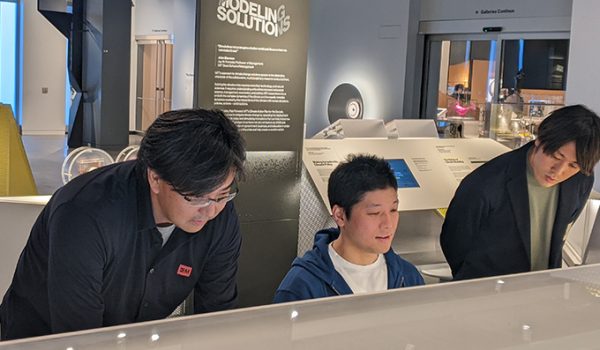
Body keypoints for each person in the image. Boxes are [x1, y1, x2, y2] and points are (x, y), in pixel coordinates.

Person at [0, 109, 246, 340]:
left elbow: (217, 316)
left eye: (224, 194)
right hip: (39, 340)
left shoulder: (218, 213)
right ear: (156, 178)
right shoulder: (85, 214)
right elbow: (81, 337)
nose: (211, 209)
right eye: (197, 197)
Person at [441, 104, 600, 280]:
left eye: (573, 165)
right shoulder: (486, 183)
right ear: (540, 139)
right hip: (487, 292)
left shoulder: (581, 179)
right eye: (556, 156)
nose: (559, 171)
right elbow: (454, 244)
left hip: (543, 289)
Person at [273, 154, 424, 303]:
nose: (388, 224)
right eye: (374, 213)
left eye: (393, 210)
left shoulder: (409, 277)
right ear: (340, 216)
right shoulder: (302, 287)